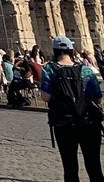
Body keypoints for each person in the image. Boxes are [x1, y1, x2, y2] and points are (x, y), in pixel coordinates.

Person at [42, 34, 104, 182]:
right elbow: (97, 95)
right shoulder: (85, 70)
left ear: (55, 50)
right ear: (71, 50)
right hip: (88, 122)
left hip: (64, 124)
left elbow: (46, 97)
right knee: (94, 166)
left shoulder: (49, 69)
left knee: (70, 167)